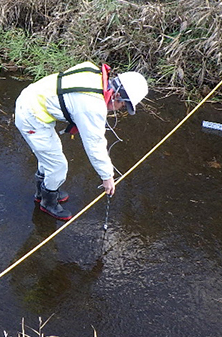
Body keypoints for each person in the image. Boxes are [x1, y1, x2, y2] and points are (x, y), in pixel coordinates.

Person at [14, 61, 148, 221]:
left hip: (32, 99)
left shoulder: (93, 73)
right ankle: (47, 202)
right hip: (31, 115)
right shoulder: (92, 105)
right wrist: (107, 177)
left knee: (49, 156)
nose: (120, 109)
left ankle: (45, 190)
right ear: (117, 95)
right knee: (58, 166)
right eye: (123, 105)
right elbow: (94, 143)